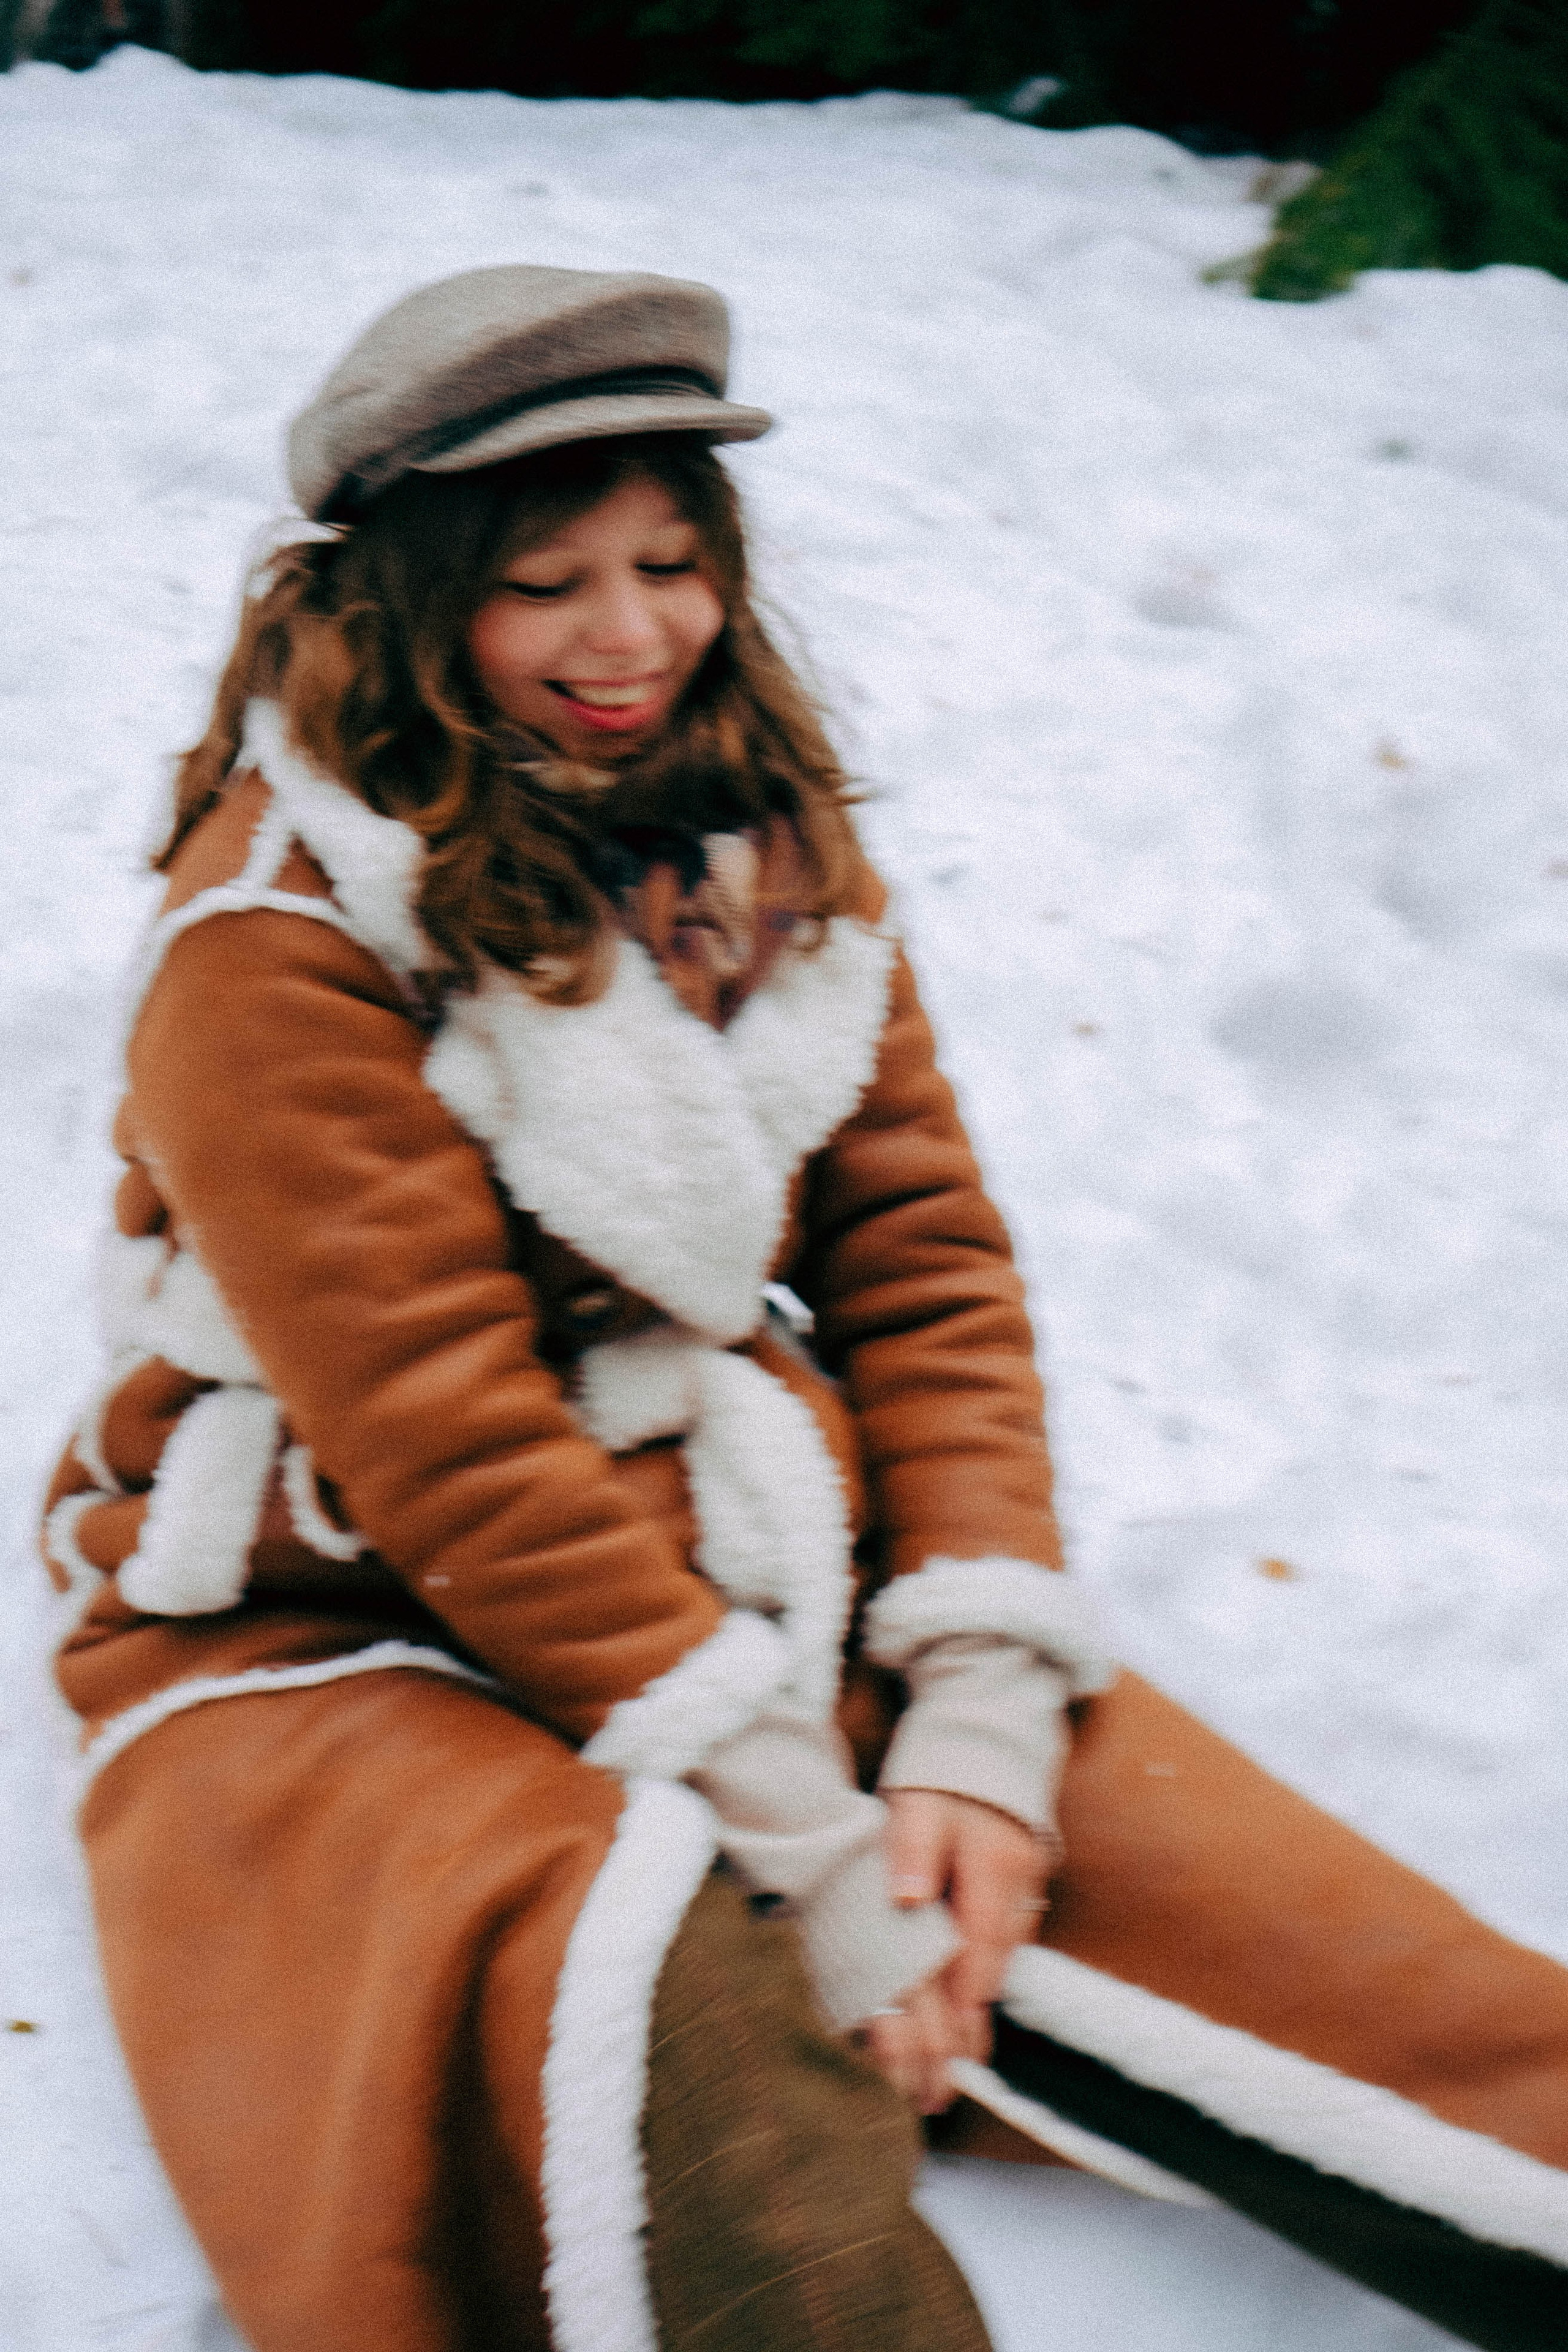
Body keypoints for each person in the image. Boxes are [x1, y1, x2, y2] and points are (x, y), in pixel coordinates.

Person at [40, 265, 1568, 2352]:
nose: (629, 635)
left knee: (1313, 1960)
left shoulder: (762, 852)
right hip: (351, 1595)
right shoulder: (273, 943)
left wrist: (978, 1705)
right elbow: (445, 1435)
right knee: (630, 2019)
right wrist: (809, 1847)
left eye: (670, 565)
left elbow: (924, 1265)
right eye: (544, 582)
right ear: (408, 600)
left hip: (721, 1535)